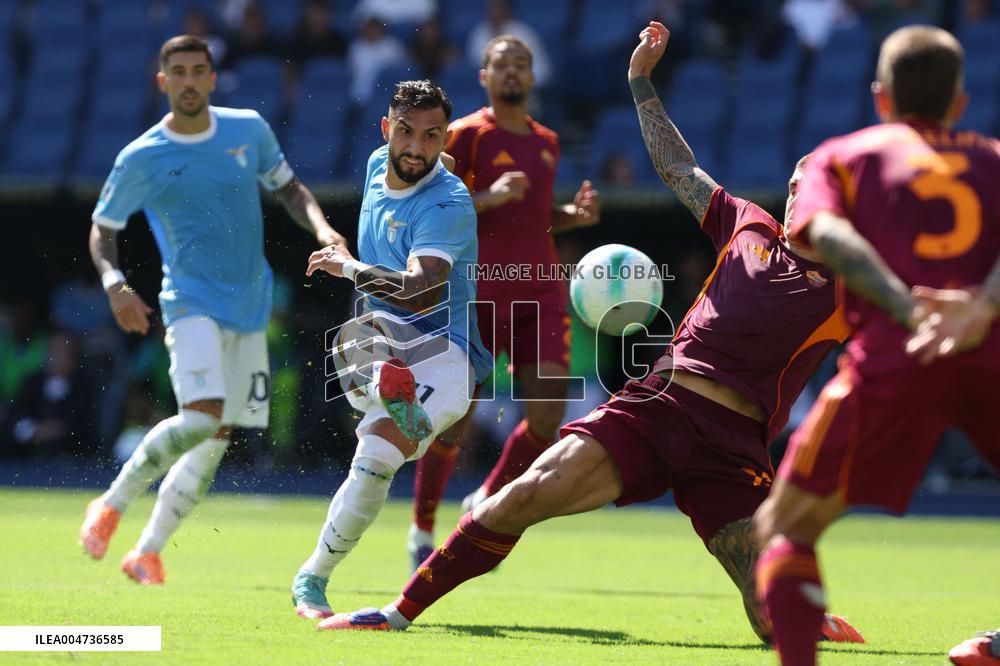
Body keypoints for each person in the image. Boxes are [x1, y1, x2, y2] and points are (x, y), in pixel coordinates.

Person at [315, 22, 863, 645]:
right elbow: (679, 166)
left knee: (773, 621)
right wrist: (639, 83)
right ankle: (397, 612)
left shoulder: (850, 285)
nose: (797, 193)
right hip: (660, 407)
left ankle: (805, 615)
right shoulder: (749, 224)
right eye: (793, 182)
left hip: (734, 448)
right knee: (521, 497)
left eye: (811, 185)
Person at [752, 25, 1000, 666]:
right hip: (989, 349)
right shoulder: (992, 158)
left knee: (784, 528)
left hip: (894, 356)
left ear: (881, 97)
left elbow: (826, 232)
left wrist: (900, 301)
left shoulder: (847, 154)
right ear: (959, 102)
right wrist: (981, 304)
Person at [78, 35, 346, 585]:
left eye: (199, 70)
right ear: (163, 82)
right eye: (179, 71)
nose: (190, 80)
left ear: (212, 77)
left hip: (252, 305)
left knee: (217, 435)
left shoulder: (247, 128)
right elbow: (103, 230)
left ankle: (147, 551)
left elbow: (290, 189)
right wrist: (115, 283)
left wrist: (323, 229)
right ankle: (111, 503)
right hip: (190, 301)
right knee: (202, 414)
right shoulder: (143, 155)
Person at [290, 79, 493, 620]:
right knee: (358, 331)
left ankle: (311, 575)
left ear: (444, 137)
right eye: (406, 131)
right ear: (386, 129)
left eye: (431, 137)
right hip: (382, 331)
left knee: (377, 460)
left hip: (446, 348)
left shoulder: (448, 203)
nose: (416, 147)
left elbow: (422, 288)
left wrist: (349, 267)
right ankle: (311, 581)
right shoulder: (377, 163)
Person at [406, 34, 601, 571]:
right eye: (501, 64)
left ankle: (486, 497)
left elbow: (534, 214)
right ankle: (422, 529)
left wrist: (570, 215)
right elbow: (427, 200)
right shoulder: (466, 134)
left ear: (533, 76)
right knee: (453, 420)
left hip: (539, 287)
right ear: (484, 77)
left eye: (521, 64)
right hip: (477, 290)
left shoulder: (548, 141)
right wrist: (490, 195)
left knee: (548, 415)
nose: (512, 72)